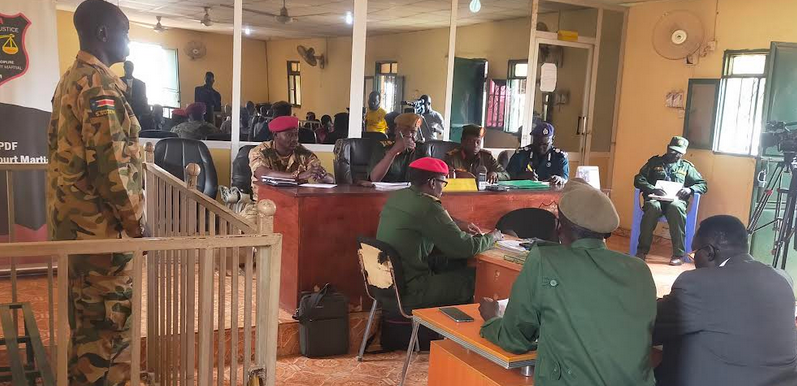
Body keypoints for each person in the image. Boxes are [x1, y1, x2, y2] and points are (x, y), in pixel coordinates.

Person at [47, 1, 145, 383]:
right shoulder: (98, 86)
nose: (129, 39)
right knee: (110, 331)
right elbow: (112, 171)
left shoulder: (71, 78)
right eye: (125, 30)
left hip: (77, 231)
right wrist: (138, 225)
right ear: (103, 34)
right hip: (101, 237)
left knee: (87, 327)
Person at [479, 181, 656, 386]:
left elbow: (514, 339)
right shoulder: (639, 270)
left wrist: (492, 320)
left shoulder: (545, 260)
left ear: (559, 226)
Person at [654, 215, 797, 386]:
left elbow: (653, 326)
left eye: (693, 254)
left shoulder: (698, 283)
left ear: (709, 252)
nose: (693, 261)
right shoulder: (782, 278)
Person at [377, 157, 502, 310]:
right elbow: (465, 247)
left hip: (389, 283)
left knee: (453, 263)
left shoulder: (399, 197)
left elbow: (429, 219)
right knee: (478, 278)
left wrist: (457, 224)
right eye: (443, 183)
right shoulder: (427, 206)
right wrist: (492, 237)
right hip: (411, 290)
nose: (443, 189)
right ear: (432, 183)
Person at [634, 136, 707, 265]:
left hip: (675, 201)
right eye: (673, 151)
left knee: (676, 208)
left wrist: (690, 189)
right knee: (652, 207)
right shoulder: (654, 163)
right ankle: (641, 251)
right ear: (668, 148)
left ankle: (678, 255)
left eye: (679, 153)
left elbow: (702, 184)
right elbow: (639, 179)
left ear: (683, 153)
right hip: (656, 198)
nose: (675, 155)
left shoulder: (686, 167)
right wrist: (652, 189)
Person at [244, 116, 333, 222]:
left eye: (296, 134)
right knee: (246, 227)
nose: (294, 139)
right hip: (264, 205)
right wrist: (297, 176)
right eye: (289, 135)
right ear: (275, 135)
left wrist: (325, 177)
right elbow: (263, 174)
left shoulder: (304, 153)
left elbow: (317, 172)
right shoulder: (260, 151)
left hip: (295, 205)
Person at [506, 120, 568, 186]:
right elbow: (507, 176)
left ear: (552, 139)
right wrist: (522, 177)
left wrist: (559, 178)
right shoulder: (521, 154)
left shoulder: (559, 156)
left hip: (550, 193)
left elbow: (564, 177)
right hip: (523, 192)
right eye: (537, 143)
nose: (540, 147)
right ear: (533, 139)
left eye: (545, 145)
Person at [444, 124, 509, 183]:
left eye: (478, 142)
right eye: (471, 141)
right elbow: (444, 177)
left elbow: (506, 175)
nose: (475, 145)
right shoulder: (452, 157)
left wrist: (496, 174)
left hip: (482, 193)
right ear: (462, 141)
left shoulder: (487, 157)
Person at [368, 113, 421, 182]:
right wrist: (393, 151)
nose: (409, 135)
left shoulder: (420, 148)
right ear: (396, 131)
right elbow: (374, 178)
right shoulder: (383, 146)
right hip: (385, 190)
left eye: (413, 132)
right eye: (405, 130)